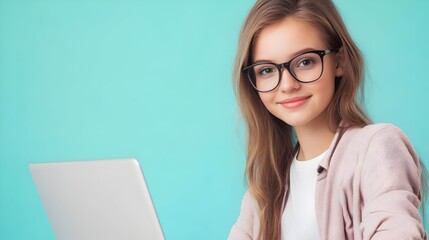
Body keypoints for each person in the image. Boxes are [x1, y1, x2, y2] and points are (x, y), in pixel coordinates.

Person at [227, 0, 427, 239]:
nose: (288, 85)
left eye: (305, 62)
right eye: (267, 70)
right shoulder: (263, 192)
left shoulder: (376, 147)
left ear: (339, 62)